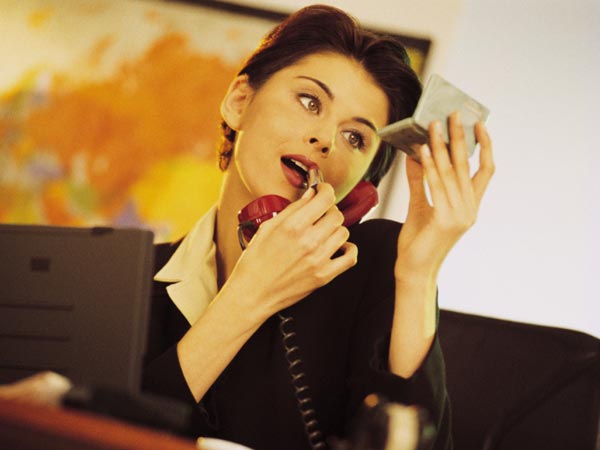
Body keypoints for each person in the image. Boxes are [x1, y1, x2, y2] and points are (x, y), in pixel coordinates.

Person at [142, 4, 494, 450]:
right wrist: (249, 298)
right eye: (310, 102)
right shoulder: (128, 276)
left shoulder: (378, 267)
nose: (325, 140)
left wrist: (418, 277)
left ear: (362, 186)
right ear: (239, 101)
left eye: (355, 137)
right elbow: (91, 433)